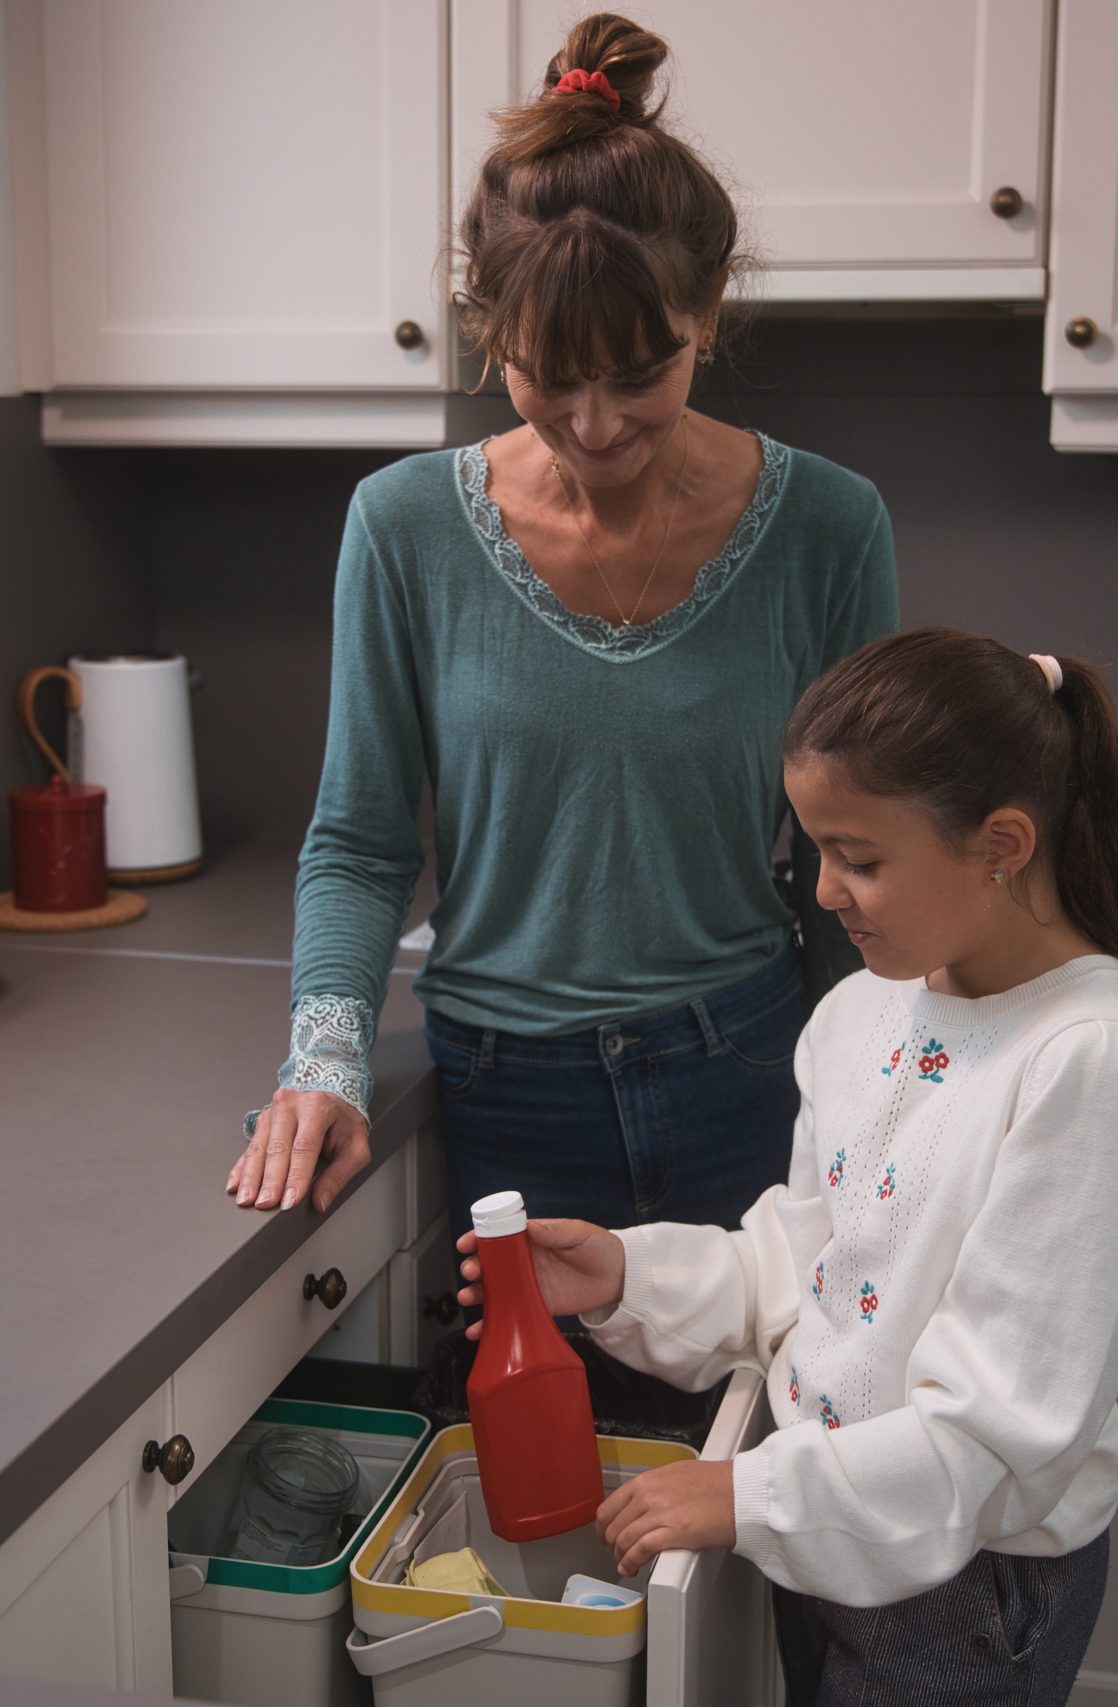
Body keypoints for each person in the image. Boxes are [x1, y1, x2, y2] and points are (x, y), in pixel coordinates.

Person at [453, 628, 1118, 1706]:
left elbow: (995, 1432)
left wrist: (749, 1498)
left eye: (860, 859)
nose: (823, 891)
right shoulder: (864, 1010)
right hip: (834, 1539)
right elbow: (810, 1267)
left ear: (1000, 843)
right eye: (812, 850)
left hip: (962, 1593)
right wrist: (628, 1275)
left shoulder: (1089, 1070)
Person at [225, 14, 900, 1237]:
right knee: (530, 1433)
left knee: (749, 1426)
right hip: (501, 1089)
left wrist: (869, 1092)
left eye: (639, 372)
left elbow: (851, 859)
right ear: (491, 334)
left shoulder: (830, 527)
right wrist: (321, 1061)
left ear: (707, 314)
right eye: (546, 373)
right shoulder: (402, 527)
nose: (593, 425)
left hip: (748, 1066)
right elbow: (362, 844)